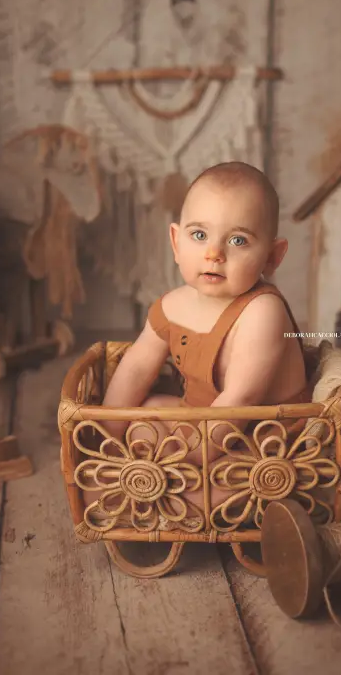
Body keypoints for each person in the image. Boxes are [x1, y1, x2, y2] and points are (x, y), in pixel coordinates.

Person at [89, 161, 311, 517]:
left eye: (238, 240)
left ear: (272, 256)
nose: (214, 253)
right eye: (199, 235)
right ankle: (158, 480)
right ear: (176, 242)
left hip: (263, 439)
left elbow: (240, 400)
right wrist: (106, 440)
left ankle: (180, 496)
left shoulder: (262, 311)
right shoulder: (172, 305)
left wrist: (179, 458)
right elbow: (134, 370)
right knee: (142, 419)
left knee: (224, 491)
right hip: (205, 421)